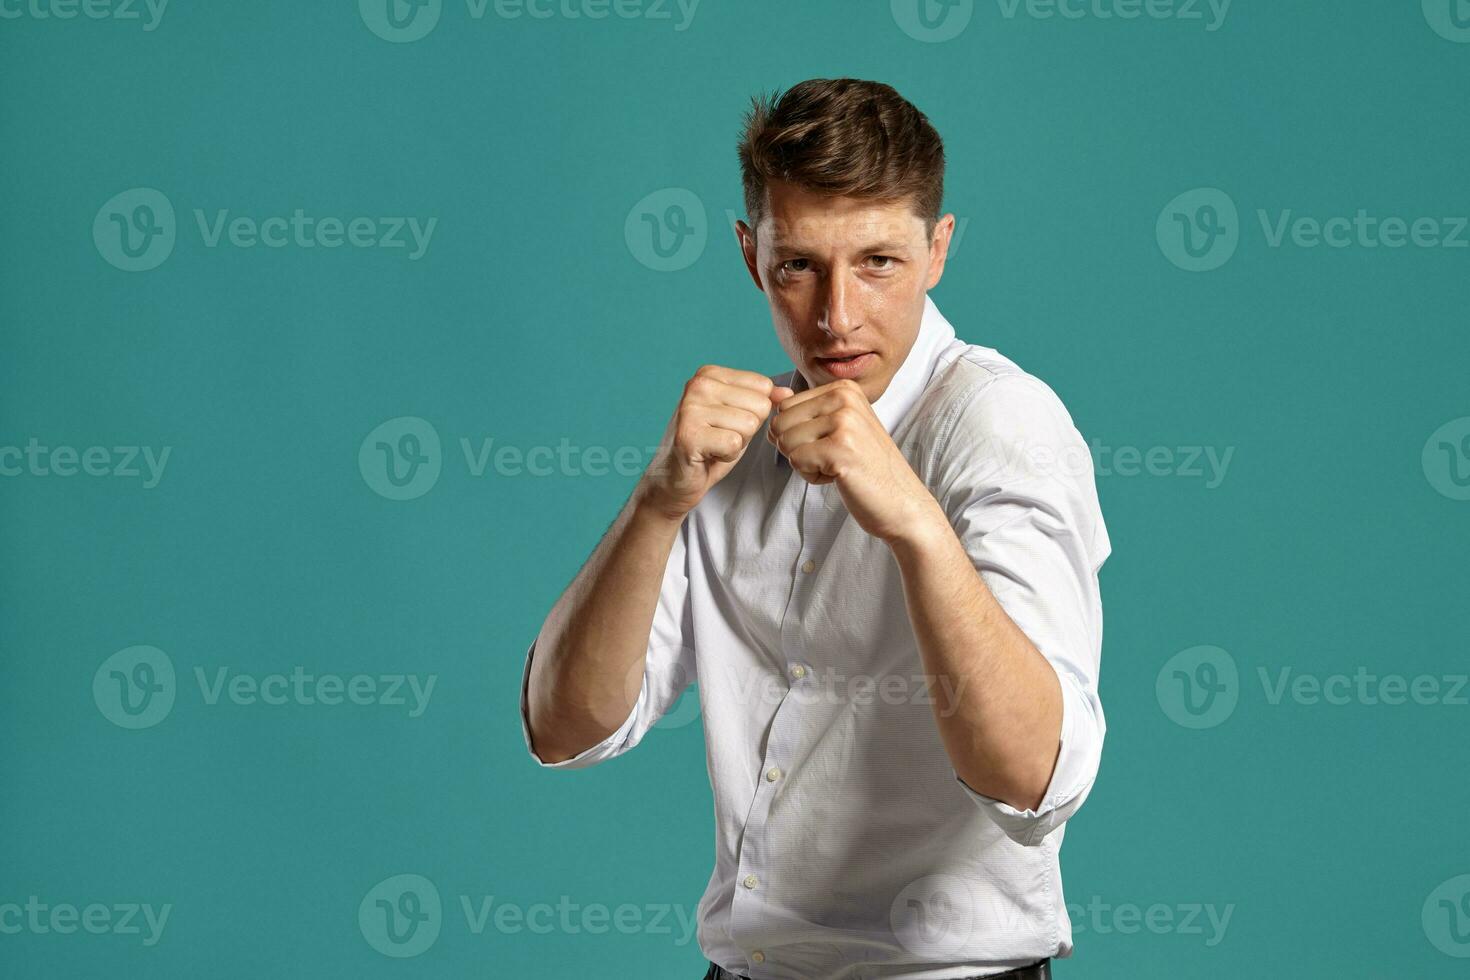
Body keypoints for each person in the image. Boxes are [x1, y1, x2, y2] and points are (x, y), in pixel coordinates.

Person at [519, 77, 1111, 980]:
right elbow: (563, 728)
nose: (838, 316)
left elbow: (1036, 780)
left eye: (879, 262)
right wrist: (658, 501)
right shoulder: (732, 444)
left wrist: (913, 520)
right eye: (799, 266)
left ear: (938, 248)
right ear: (750, 254)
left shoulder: (1002, 425)